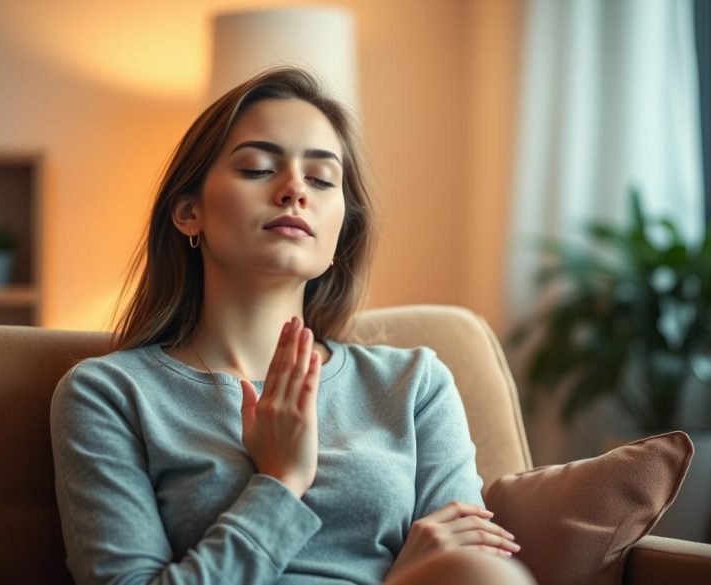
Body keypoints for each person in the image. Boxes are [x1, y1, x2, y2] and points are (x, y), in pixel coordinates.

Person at [50, 67, 534, 585]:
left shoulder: (414, 383)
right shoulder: (108, 394)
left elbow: (471, 562)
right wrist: (280, 484)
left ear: (342, 229)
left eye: (323, 179)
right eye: (259, 169)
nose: (295, 190)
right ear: (189, 211)